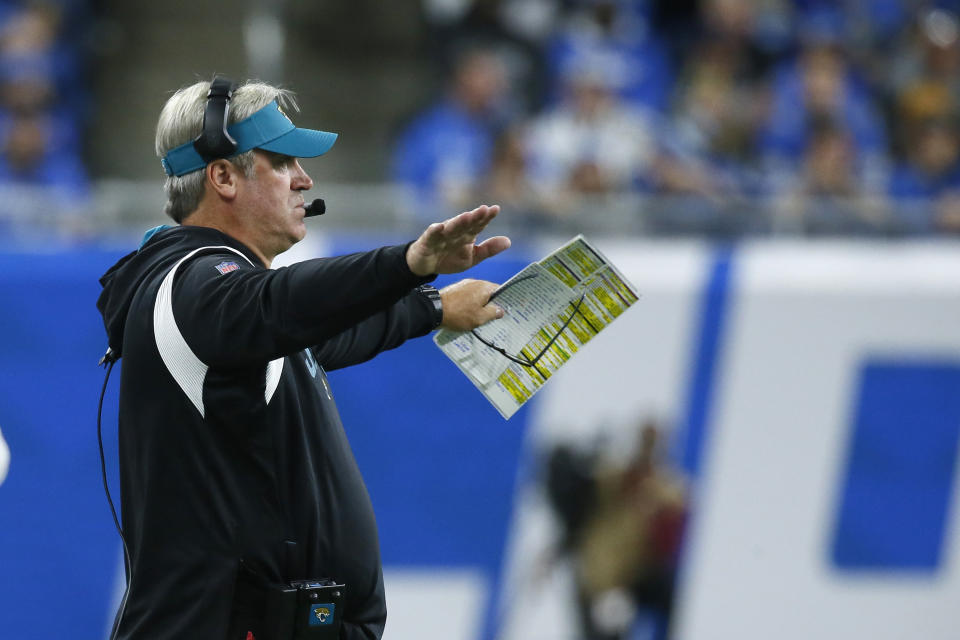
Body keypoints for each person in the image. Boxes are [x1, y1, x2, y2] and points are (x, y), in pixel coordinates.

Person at [96, 78, 510, 640]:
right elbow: (281, 303)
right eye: (282, 161)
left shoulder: (221, 304)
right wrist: (407, 263)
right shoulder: (191, 282)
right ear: (221, 176)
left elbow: (324, 333)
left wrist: (434, 308)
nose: (304, 179)